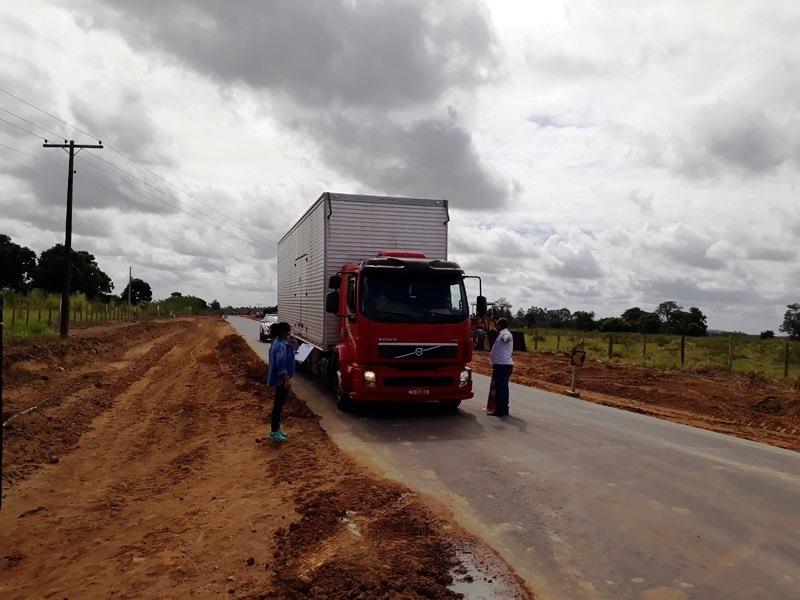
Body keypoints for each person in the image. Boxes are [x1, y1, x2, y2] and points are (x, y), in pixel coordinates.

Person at [266, 321, 295, 443]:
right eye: (288, 330)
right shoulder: (280, 346)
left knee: (279, 406)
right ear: (283, 332)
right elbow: (280, 365)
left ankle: (277, 429)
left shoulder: (280, 343)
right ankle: (274, 432)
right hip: (281, 381)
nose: (289, 332)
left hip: (281, 380)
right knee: (278, 406)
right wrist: (286, 380)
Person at [488, 318, 513, 417]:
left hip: (502, 365)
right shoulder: (502, 333)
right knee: (504, 387)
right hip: (503, 364)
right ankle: (505, 408)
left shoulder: (505, 333)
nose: (496, 326)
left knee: (500, 388)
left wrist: (508, 338)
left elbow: (507, 338)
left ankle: (499, 410)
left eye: (497, 324)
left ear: (500, 325)